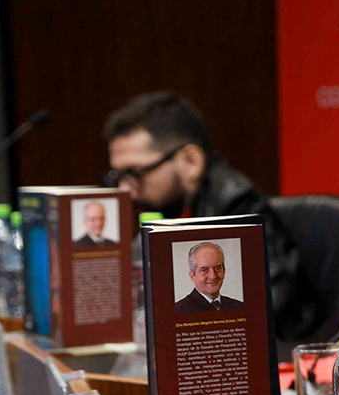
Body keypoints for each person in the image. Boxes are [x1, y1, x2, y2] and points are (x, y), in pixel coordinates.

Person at [104, 93, 299, 332]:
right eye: (118, 176)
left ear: (190, 161)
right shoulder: (166, 210)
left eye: (135, 173)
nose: (125, 189)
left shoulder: (237, 206)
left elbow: (272, 308)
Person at [175, 242, 243, 313]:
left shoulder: (240, 307)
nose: (213, 276)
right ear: (192, 276)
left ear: (224, 271)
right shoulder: (178, 311)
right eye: (204, 270)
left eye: (217, 268)